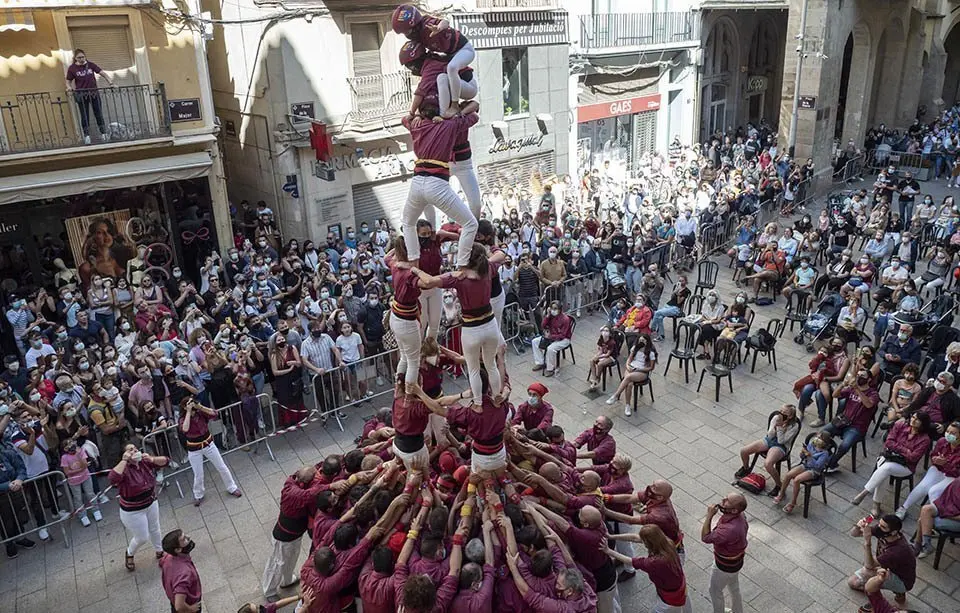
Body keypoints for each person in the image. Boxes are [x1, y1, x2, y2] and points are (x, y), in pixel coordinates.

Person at [411, 243, 502, 406]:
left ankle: (478, 403)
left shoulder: (458, 277)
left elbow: (429, 281)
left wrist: (415, 270)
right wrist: (492, 246)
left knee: (473, 369)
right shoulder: (487, 268)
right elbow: (501, 255)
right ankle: (496, 397)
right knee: (491, 364)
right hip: (490, 324)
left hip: (471, 329)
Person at [400, 102, 479, 270]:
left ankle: (414, 262)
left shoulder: (417, 125)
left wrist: (416, 116)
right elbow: (474, 116)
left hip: (417, 182)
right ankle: (462, 267)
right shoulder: (449, 124)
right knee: (470, 224)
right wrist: (453, 115)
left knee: (408, 223)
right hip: (437, 184)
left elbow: (404, 119)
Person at [852, 413, 931, 516]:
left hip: (905, 466)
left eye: (917, 419)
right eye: (913, 417)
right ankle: (876, 504)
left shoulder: (925, 440)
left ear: (923, 423)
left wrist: (898, 448)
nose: (913, 420)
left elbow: (913, 457)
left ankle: (865, 493)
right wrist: (906, 450)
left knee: (886, 468)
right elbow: (888, 442)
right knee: (884, 470)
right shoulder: (900, 425)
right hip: (888, 457)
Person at [109, 443, 170, 571]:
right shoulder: (124, 469)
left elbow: (166, 461)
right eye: (130, 450)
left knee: (155, 528)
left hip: (151, 502)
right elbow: (113, 478)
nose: (135, 450)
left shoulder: (144, 462)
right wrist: (124, 460)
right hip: (132, 510)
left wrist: (152, 459)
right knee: (142, 537)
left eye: (135, 448)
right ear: (125, 455)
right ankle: (130, 553)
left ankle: (159, 551)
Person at [603, 525, 692, 612]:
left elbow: (630, 561)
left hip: (670, 597)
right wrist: (611, 536)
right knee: (684, 605)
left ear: (648, 542)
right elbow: (634, 538)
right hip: (680, 584)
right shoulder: (667, 542)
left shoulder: (655, 563)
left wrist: (609, 551)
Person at [179, 397, 242, 506]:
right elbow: (185, 429)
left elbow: (214, 414)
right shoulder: (183, 418)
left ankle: (232, 487)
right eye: (189, 404)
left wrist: (200, 407)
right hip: (194, 449)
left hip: (208, 444)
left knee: (222, 466)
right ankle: (198, 494)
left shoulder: (200, 413)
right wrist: (188, 411)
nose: (192, 405)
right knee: (198, 473)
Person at [733, 404, 800, 498]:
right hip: (770, 440)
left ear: (790, 416)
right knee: (744, 451)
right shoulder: (776, 417)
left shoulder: (794, 426)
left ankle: (779, 485)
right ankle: (746, 468)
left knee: (768, 464)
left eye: (785, 413)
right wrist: (775, 425)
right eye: (780, 411)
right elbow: (770, 435)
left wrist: (780, 428)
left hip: (781, 446)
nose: (781, 414)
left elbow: (782, 441)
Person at [896, 421, 960, 519]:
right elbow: (933, 454)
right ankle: (904, 507)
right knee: (923, 486)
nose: (949, 435)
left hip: (952, 477)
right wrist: (935, 459)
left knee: (934, 491)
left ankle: (932, 515)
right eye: (948, 431)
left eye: (953, 433)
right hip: (938, 469)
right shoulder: (942, 441)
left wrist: (946, 464)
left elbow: (957, 472)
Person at [848, 515, 915, 607]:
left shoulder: (897, 550)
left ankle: (897, 591)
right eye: (879, 524)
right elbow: (854, 534)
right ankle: (886, 589)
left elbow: (869, 565)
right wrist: (858, 526)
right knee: (853, 582)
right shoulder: (883, 530)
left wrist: (867, 543)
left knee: (867, 572)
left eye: (883, 526)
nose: (878, 527)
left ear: (894, 532)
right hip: (887, 566)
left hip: (902, 580)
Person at [822, 369, 881, 472]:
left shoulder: (873, 394)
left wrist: (857, 389)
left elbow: (868, 404)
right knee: (823, 433)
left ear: (869, 379)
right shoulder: (851, 389)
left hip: (857, 427)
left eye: (862, 376)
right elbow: (835, 395)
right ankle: (826, 455)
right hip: (843, 421)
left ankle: (831, 464)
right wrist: (843, 384)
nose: (859, 377)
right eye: (857, 375)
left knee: (845, 445)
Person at [701, 493, 748, 613]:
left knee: (715, 590)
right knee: (734, 586)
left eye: (727, 501)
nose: (723, 500)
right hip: (736, 562)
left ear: (734, 510)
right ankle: (738, 610)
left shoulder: (729, 530)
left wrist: (709, 515)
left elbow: (705, 537)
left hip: (724, 566)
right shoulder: (740, 515)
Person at [772, 432, 832, 513]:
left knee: (797, 480)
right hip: (805, 464)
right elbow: (803, 456)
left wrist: (810, 456)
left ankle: (793, 502)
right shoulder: (812, 444)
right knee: (788, 474)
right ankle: (781, 494)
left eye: (819, 438)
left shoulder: (824, 454)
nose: (817, 439)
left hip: (814, 470)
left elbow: (817, 466)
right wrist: (802, 453)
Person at [65, 48, 114, 144]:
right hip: (82, 94)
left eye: (83, 57)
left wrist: (111, 83)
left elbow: (103, 73)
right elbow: (68, 81)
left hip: (94, 93)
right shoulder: (72, 68)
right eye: (79, 57)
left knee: (98, 113)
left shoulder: (91, 65)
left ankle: (103, 133)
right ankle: (87, 136)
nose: (82, 59)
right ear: (75, 58)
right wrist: (69, 88)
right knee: (84, 115)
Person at [606, 335, 657, 417]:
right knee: (629, 384)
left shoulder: (650, 352)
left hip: (642, 371)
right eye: (640, 340)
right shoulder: (635, 348)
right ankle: (627, 405)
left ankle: (616, 395)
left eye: (643, 341)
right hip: (632, 367)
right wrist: (628, 366)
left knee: (628, 377)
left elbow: (651, 367)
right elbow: (629, 360)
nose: (641, 342)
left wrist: (638, 369)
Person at [160, 529, 203, 613]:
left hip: (172, 599)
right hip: (188, 606)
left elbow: (161, 562)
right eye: (184, 539)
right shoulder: (185, 573)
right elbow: (179, 606)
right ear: (178, 550)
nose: (189, 537)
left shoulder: (168, 557)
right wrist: (191, 609)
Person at [532, 300, 573, 377]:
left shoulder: (565, 319)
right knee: (535, 341)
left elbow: (562, 335)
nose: (553, 310)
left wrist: (551, 337)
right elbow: (543, 326)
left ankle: (550, 368)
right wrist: (547, 316)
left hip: (564, 339)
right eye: (552, 308)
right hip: (551, 336)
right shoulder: (550, 316)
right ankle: (540, 362)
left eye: (555, 308)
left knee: (550, 349)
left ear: (560, 309)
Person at [650, 276, 691, 342]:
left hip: (676, 308)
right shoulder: (677, 287)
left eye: (682, 281)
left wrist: (678, 294)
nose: (681, 282)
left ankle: (652, 329)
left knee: (657, 313)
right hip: (668, 305)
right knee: (659, 317)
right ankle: (661, 336)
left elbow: (679, 302)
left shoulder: (686, 291)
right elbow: (672, 298)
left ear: (686, 282)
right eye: (679, 280)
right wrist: (675, 291)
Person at [587, 325, 619, 391]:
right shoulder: (601, 338)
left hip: (611, 356)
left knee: (600, 364)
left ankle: (598, 378)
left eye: (606, 331)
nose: (604, 332)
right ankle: (594, 378)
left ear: (610, 333)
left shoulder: (611, 342)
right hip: (603, 354)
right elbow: (601, 350)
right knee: (591, 361)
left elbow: (608, 354)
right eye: (603, 330)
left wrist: (599, 357)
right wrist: (596, 356)